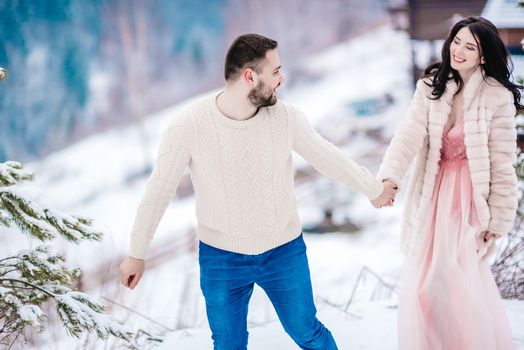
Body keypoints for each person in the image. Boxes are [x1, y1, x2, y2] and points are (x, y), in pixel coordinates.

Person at [119, 33, 397, 350]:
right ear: (250, 77)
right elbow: (159, 189)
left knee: (307, 332)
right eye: (275, 71)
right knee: (228, 344)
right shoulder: (189, 125)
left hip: (283, 250)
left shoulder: (286, 118)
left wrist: (374, 189)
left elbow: (328, 158)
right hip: (221, 258)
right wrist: (136, 253)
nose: (283, 78)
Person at [376, 16, 522, 350]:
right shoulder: (431, 86)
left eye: (470, 46)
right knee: (423, 289)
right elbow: (408, 135)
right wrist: (390, 177)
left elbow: (502, 164)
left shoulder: (496, 97)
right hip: (433, 192)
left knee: (453, 285)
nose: (458, 50)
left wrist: (498, 220)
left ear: (483, 56)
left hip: (469, 199)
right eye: (457, 41)